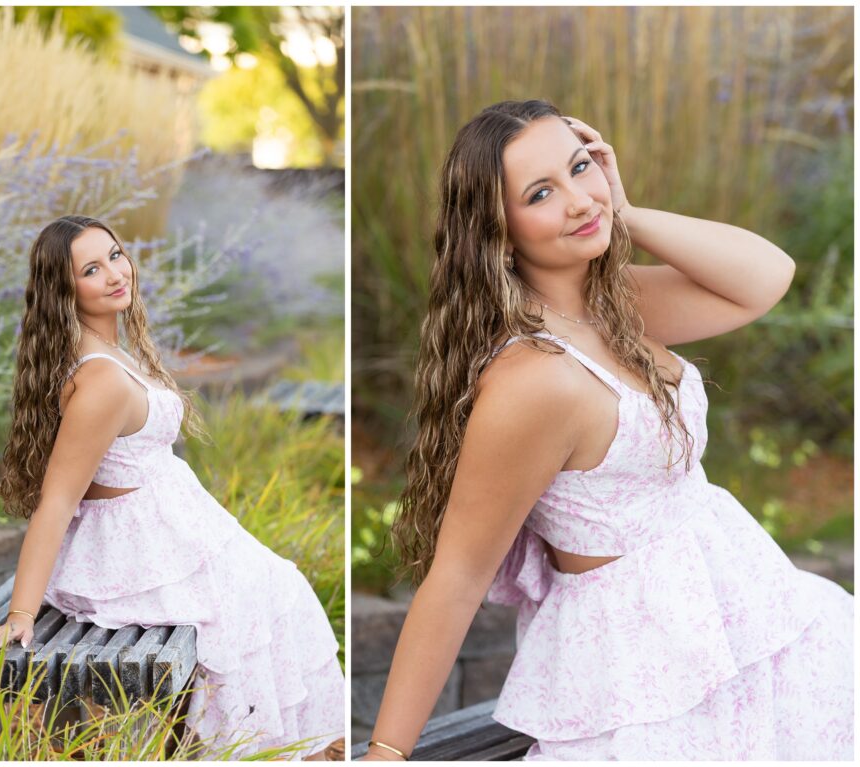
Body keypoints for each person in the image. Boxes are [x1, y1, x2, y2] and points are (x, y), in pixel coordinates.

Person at [359, 100, 853, 761]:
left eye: (579, 167)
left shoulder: (614, 305)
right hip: (644, 674)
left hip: (749, 617)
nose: (576, 201)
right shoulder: (537, 380)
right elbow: (457, 577)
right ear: (499, 230)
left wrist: (623, 210)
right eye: (540, 193)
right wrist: (387, 752)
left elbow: (766, 278)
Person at [0, 215, 345, 761]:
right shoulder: (102, 380)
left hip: (178, 529)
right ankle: (254, 748)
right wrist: (21, 615)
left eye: (116, 255)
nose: (116, 274)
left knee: (283, 589)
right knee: (271, 600)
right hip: (140, 552)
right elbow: (59, 500)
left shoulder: (113, 351)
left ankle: (279, 747)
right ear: (65, 290)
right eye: (92, 270)